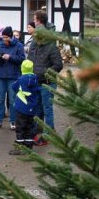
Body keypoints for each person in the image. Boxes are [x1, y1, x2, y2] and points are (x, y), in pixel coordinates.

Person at [29, 10, 63, 143]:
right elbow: (30, 60)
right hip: (35, 81)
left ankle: (48, 134)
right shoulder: (34, 45)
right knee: (38, 109)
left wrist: (45, 73)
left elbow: (58, 65)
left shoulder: (51, 46)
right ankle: (38, 133)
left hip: (47, 82)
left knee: (47, 109)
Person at [0, 26, 25, 130]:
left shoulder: (18, 45)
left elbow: (22, 59)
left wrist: (10, 57)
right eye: (3, 37)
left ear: (11, 36)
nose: (4, 39)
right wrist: (0, 58)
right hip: (0, 75)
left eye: (6, 37)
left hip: (13, 76)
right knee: (0, 99)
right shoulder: (0, 44)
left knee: (12, 100)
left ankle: (13, 121)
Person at [8, 59, 41, 155]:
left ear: (22, 68)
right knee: (30, 127)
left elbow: (14, 87)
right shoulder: (35, 78)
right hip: (32, 108)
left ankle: (19, 148)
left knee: (20, 127)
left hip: (22, 108)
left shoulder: (21, 79)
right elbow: (38, 90)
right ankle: (29, 147)